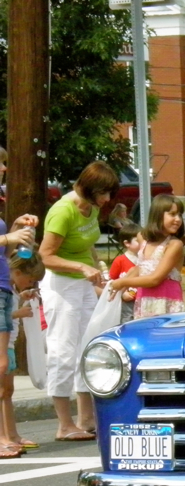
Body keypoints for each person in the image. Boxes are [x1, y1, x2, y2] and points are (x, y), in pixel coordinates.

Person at [39, 160, 120, 442]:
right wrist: (80, 268)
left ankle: (85, 418)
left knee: (89, 348)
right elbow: (45, 255)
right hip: (61, 286)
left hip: (84, 284)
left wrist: (99, 270)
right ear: (87, 188)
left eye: (109, 193)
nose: (106, 199)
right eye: (103, 193)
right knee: (62, 351)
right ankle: (63, 423)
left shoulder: (92, 208)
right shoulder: (62, 211)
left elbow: (86, 245)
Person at [109, 194, 185, 318]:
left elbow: (155, 279)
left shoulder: (174, 245)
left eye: (180, 215)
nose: (178, 219)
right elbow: (140, 268)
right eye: (172, 214)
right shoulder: (142, 239)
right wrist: (120, 289)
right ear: (158, 215)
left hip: (167, 303)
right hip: (144, 301)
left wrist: (123, 281)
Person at [3, 251, 46, 456]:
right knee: (2, 391)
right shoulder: (3, 288)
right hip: (4, 343)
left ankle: (12, 434)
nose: (30, 284)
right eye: (29, 280)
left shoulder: (10, 289)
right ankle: (4, 437)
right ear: (17, 272)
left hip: (9, 343)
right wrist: (17, 313)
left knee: (7, 392)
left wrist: (22, 298)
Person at [107, 222, 142, 324]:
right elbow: (111, 282)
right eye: (138, 241)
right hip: (127, 302)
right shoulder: (120, 261)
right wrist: (122, 294)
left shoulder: (145, 260)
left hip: (143, 299)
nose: (142, 243)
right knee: (128, 322)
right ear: (127, 243)